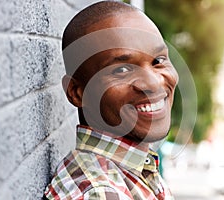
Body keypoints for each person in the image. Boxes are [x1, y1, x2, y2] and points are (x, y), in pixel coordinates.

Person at [44, 1, 178, 199]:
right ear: (77, 92)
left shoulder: (135, 170)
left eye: (158, 61)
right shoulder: (98, 193)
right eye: (122, 70)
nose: (153, 83)